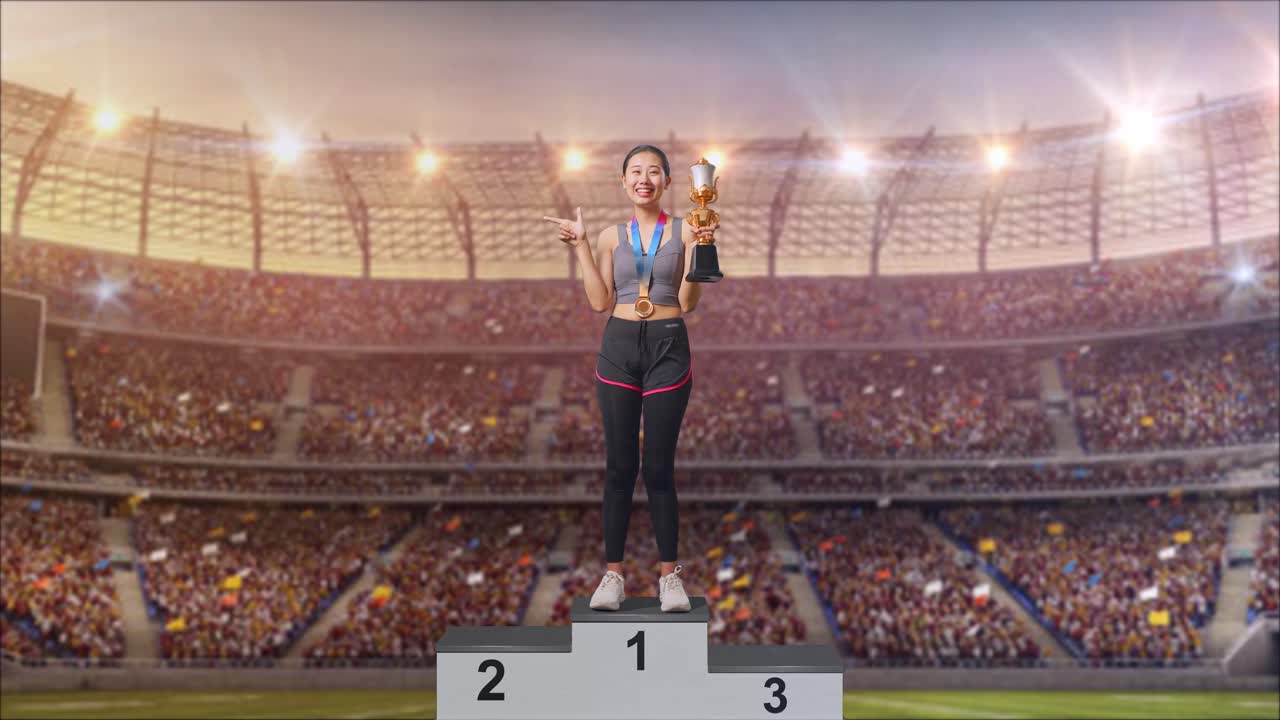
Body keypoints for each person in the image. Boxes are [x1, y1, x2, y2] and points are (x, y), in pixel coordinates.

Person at [543, 144, 717, 612]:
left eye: (654, 171)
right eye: (636, 172)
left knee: (659, 468)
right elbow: (599, 302)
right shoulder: (607, 236)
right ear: (623, 182)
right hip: (618, 346)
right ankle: (613, 576)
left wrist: (702, 249)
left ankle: (669, 579)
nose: (645, 178)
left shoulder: (687, 229)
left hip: (667, 345)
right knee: (620, 467)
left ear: (668, 181)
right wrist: (580, 246)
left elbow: (689, 302)